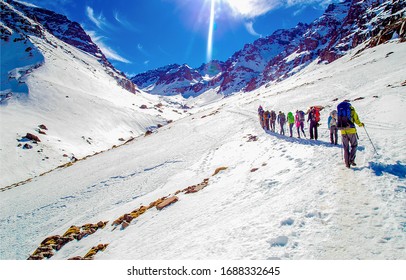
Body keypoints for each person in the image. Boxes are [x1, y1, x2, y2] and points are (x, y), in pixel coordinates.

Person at [337, 101, 364, 168]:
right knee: (354, 145)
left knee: (345, 148)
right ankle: (351, 159)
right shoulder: (351, 109)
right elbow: (356, 119)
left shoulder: (339, 110)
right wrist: (360, 124)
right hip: (351, 130)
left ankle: (347, 163)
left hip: (343, 131)